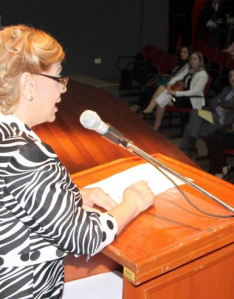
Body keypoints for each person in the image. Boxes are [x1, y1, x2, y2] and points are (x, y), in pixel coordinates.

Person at [0, 25, 155, 298]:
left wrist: (72, 199)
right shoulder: (25, 153)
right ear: (27, 84)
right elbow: (84, 238)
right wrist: (133, 201)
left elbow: (13, 203)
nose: (63, 89)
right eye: (58, 78)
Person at [179, 68, 234, 154]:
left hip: (224, 121)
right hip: (214, 116)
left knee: (190, 127)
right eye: (230, 76)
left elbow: (231, 104)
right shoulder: (227, 89)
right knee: (195, 112)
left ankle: (184, 149)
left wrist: (220, 102)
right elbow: (212, 102)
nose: (232, 78)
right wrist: (220, 104)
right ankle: (189, 146)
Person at [143, 51, 209, 131]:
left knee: (161, 100)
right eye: (191, 59)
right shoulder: (190, 69)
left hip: (191, 99)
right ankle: (156, 124)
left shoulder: (203, 74)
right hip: (182, 95)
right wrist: (169, 84)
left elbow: (195, 91)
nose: (192, 61)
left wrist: (175, 93)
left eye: (195, 59)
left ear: (200, 61)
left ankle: (153, 120)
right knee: (161, 97)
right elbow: (178, 76)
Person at [135, 46, 192, 113]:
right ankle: (141, 108)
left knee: (154, 88)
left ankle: (141, 108)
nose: (182, 54)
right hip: (170, 84)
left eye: (185, 52)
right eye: (181, 52)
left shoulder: (189, 66)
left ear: (189, 54)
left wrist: (173, 79)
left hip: (175, 88)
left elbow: (182, 79)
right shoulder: (180, 64)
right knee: (152, 87)